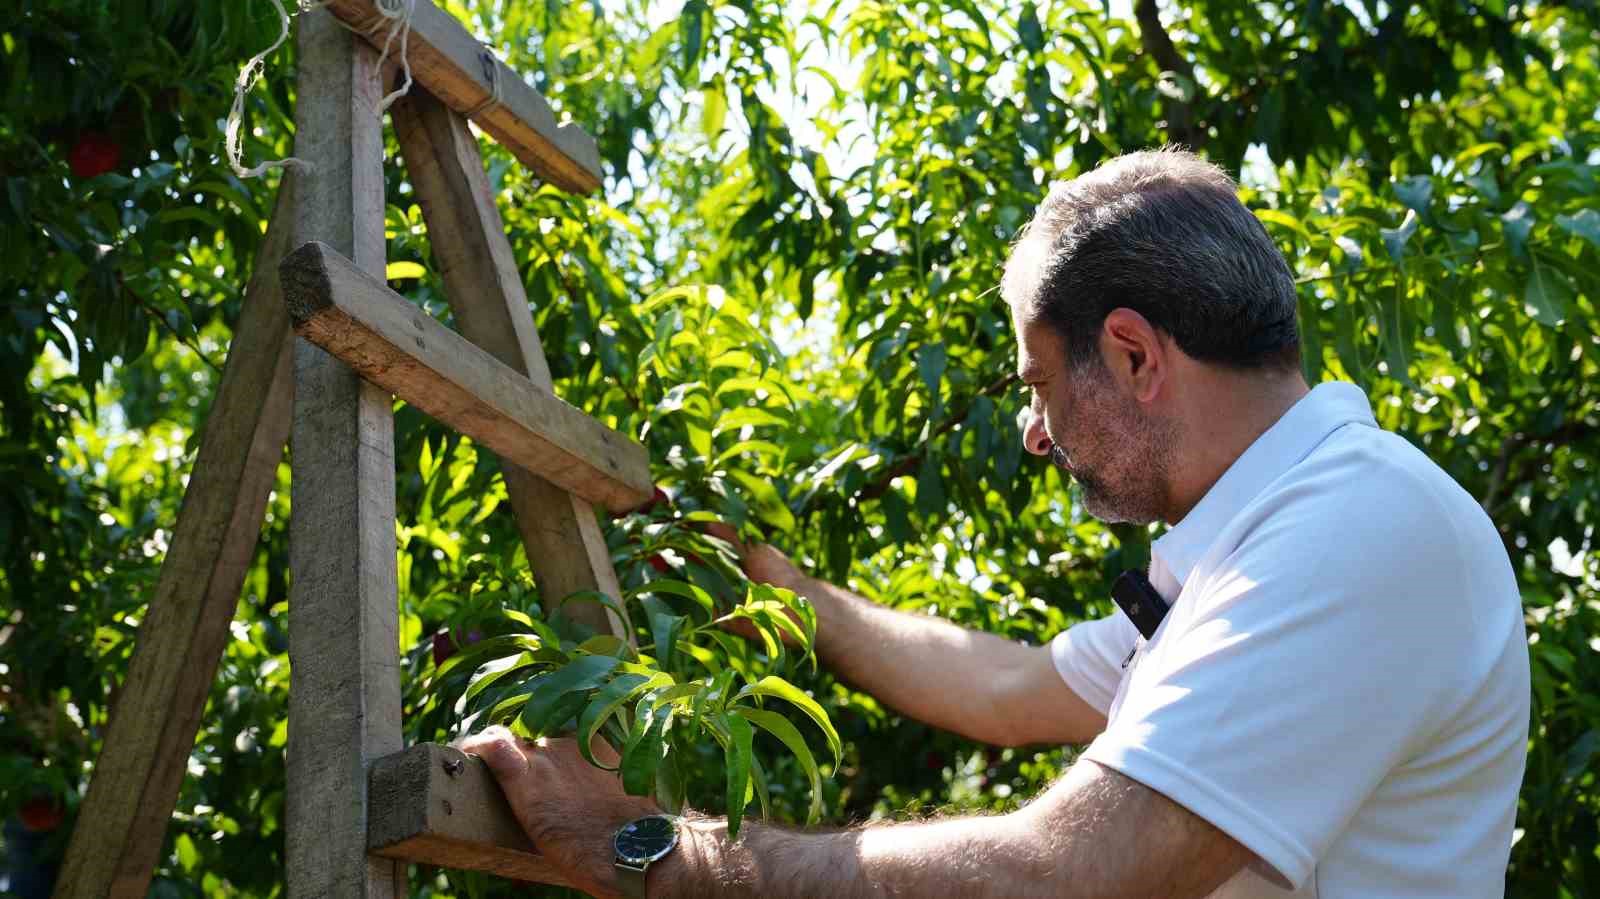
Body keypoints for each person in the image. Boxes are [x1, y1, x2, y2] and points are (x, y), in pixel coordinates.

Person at [461, 148, 1529, 898]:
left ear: (1132, 355)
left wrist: (656, 853)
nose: (1033, 430)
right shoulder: (1256, 542)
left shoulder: (1354, 531)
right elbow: (1010, 687)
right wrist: (777, 587)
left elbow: (1066, 872)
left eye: (1036, 384)